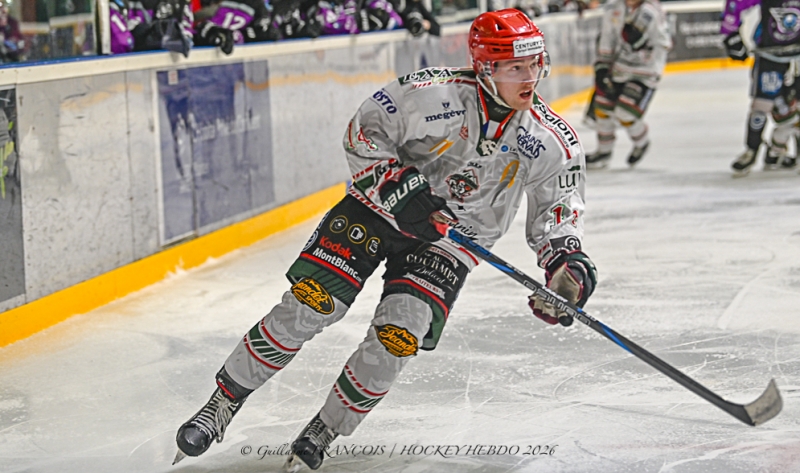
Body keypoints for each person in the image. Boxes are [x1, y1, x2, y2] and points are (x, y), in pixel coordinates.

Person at [172, 8, 597, 472]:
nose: (531, 76)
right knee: (312, 303)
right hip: (376, 211)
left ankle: (326, 427)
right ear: (485, 68)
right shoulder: (428, 93)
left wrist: (565, 266)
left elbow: (559, 211)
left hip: (449, 243)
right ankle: (223, 402)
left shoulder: (552, 141)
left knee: (398, 336)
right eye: (516, 67)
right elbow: (363, 132)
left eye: (536, 63)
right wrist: (397, 186)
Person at [584, 0, 671, 168]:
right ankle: (604, 152)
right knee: (602, 108)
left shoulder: (651, 11)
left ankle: (641, 142)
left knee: (625, 114)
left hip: (644, 72)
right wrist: (602, 65)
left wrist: (640, 40)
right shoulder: (613, 8)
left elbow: (654, 41)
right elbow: (607, 37)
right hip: (617, 69)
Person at [721, 0, 800, 173]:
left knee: (795, 111)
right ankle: (752, 149)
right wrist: (731, 34)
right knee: (761, 106)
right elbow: (736, 4)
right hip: (770, 56)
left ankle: (777, 150)